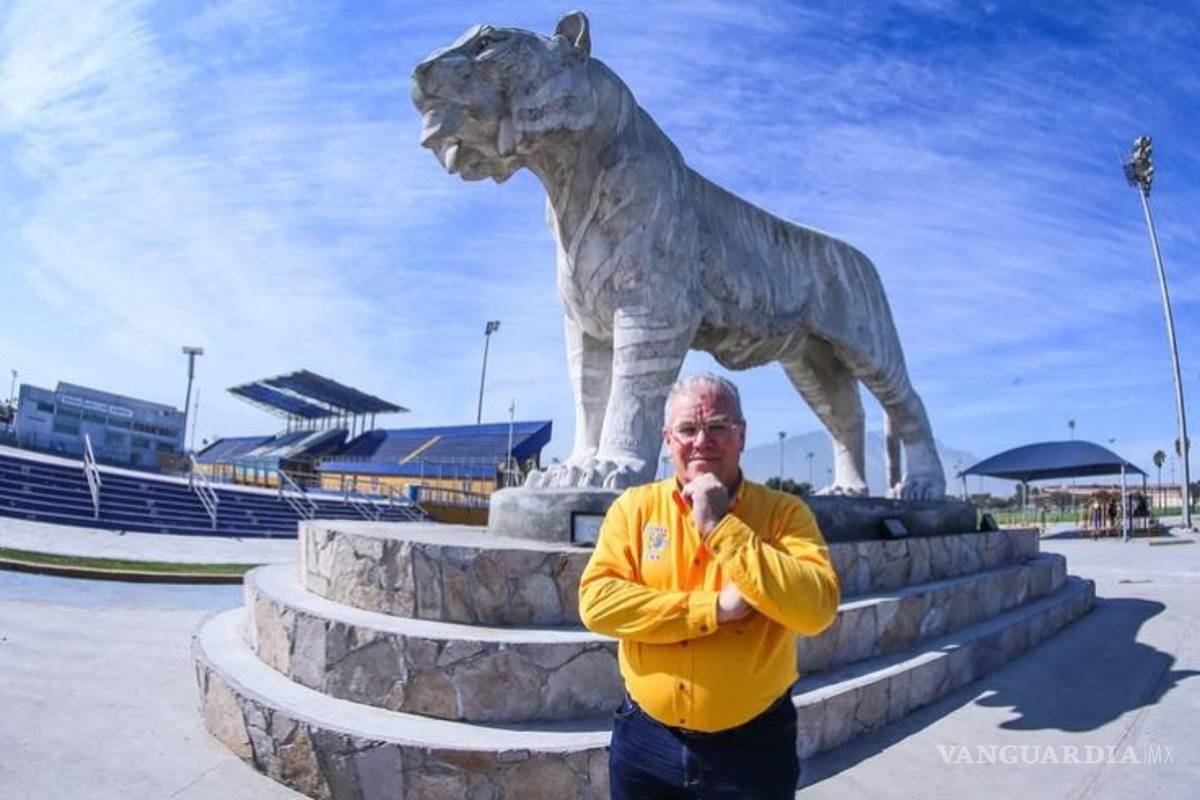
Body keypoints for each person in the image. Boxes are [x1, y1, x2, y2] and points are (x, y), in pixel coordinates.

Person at [578, 373, 841, 799]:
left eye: (718, 426)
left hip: (753, 750)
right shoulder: (634, 509)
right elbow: (597, 603)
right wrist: (713, 609)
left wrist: (721, 526)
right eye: (687, 428)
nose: (702, 441)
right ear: (668, 439)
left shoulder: (784, 514)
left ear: (741, 435)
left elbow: (815, 611)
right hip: (645, 744)